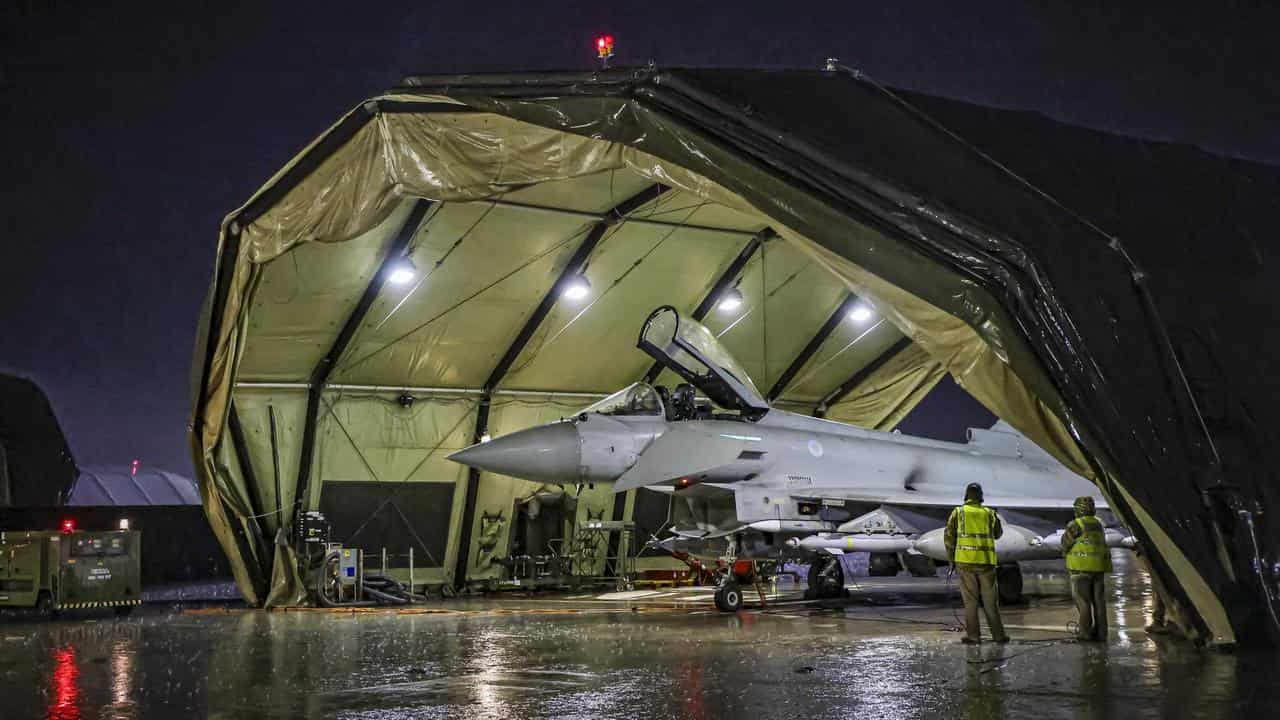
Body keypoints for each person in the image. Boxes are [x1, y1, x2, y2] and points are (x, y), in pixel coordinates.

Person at [945, 482, 1009, 644]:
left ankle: (973, 636)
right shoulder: (989, 513)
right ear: (981, 496)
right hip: (986, 563)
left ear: (966, 495)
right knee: (990, 602)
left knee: (970, 602)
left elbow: (949, 538)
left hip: (965, 563)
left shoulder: (958, 512)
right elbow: (998, 534)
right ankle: (998, 636)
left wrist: (951, 560)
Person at [1061, 496, 1112, 641]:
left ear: (1077, 509)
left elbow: (1066, 542)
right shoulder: (1098, 523)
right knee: (1099, 603)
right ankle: (1102, 633)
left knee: (1083, 601)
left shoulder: (1076, 524)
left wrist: (1064, 550)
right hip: (1098, 568)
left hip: (1080, 569)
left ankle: (1085, 632)